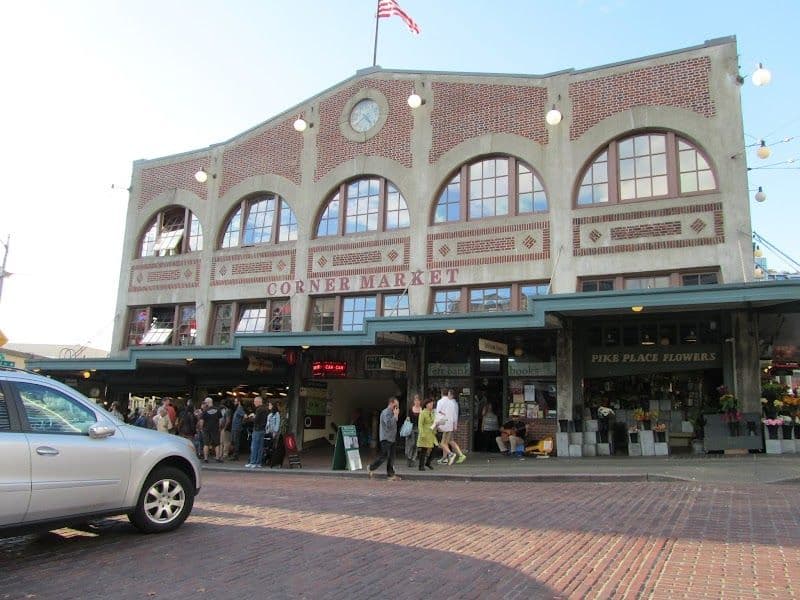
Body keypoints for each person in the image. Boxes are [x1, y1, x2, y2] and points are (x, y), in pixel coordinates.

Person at [367, 396, 401, 480]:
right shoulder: (386, 412)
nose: (396, 407)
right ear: (391, 403)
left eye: (397, 406)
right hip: (386, 438)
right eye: (395, 405)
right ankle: (371, 467)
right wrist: (395, 416)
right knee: (384, 456)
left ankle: (390, 474)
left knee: (391, 457)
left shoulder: (392, 412)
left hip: (392, 438)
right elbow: (388, 424)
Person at [436, 389, 466, 465]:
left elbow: (438, 413)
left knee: (446, 442)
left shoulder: (442, 402)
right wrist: (454, 425)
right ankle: (444, 458)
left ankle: (457, 454)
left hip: (445, 424)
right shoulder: (453, 403)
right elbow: (454, 415)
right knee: (447, 441)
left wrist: (438, 424)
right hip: (450, 424)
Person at [246, 396, 268, 468]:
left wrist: (252, 417)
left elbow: (256, 420)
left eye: (255, 401)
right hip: (262, 429)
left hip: (257, 429)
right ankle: (258, 463)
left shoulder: (259, 409)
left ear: (259, 401)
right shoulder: (265, 409)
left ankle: (253, 462)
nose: (254, 403)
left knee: (254, 446)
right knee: (260, 447)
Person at [199, 397, 224, 463]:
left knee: (206, 444)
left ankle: (206, 459)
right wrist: (219, 427)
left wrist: (201, 428)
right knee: (217, 444)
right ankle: (217, 458)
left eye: (205, 402)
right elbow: (221, 420)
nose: (205, 403)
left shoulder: (205, 411)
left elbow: (201, 421)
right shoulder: (218, 410)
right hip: (215, 429)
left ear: (207, 402)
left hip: (206, 429)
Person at [416, 397, 437, 471]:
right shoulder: (423, 413)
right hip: (425, 433)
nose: (432, 405)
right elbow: (420, 424)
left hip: (432, 434)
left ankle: (428, 462)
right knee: (424, 450)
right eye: (430, 404)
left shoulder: (433, 412)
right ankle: (421, 466)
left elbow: (435, 421)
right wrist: (422, 434)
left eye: (432, 404)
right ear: (426, 405)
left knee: (435, 448)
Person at [404, 394, 422, 467]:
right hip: (411, 428)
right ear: (414, 401)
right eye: (415, 400)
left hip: (419, 428)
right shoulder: (410, 409)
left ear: (420, 401)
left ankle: (413, 459)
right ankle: (409, 456)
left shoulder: (422, 410)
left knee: (416, 444)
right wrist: (407, 419)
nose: (417, 402)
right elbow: (408, 418)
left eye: (418, 400)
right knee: (411, 443)